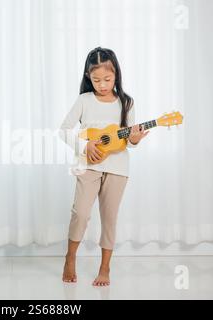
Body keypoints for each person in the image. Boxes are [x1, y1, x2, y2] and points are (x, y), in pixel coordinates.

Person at [59, 47, 149, 286]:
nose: (102, 84)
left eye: (107, 79)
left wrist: (135, 139)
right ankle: (70, 258)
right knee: (81, 213)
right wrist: (84, 145)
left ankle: (105, 267)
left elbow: (129, 140)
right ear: (88, 76)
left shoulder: (125, 102)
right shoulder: (84, 100)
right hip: (88, 165)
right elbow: (64, 130)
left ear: (116, 75)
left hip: (118, 167)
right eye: (96, 79)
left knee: (110, 218)